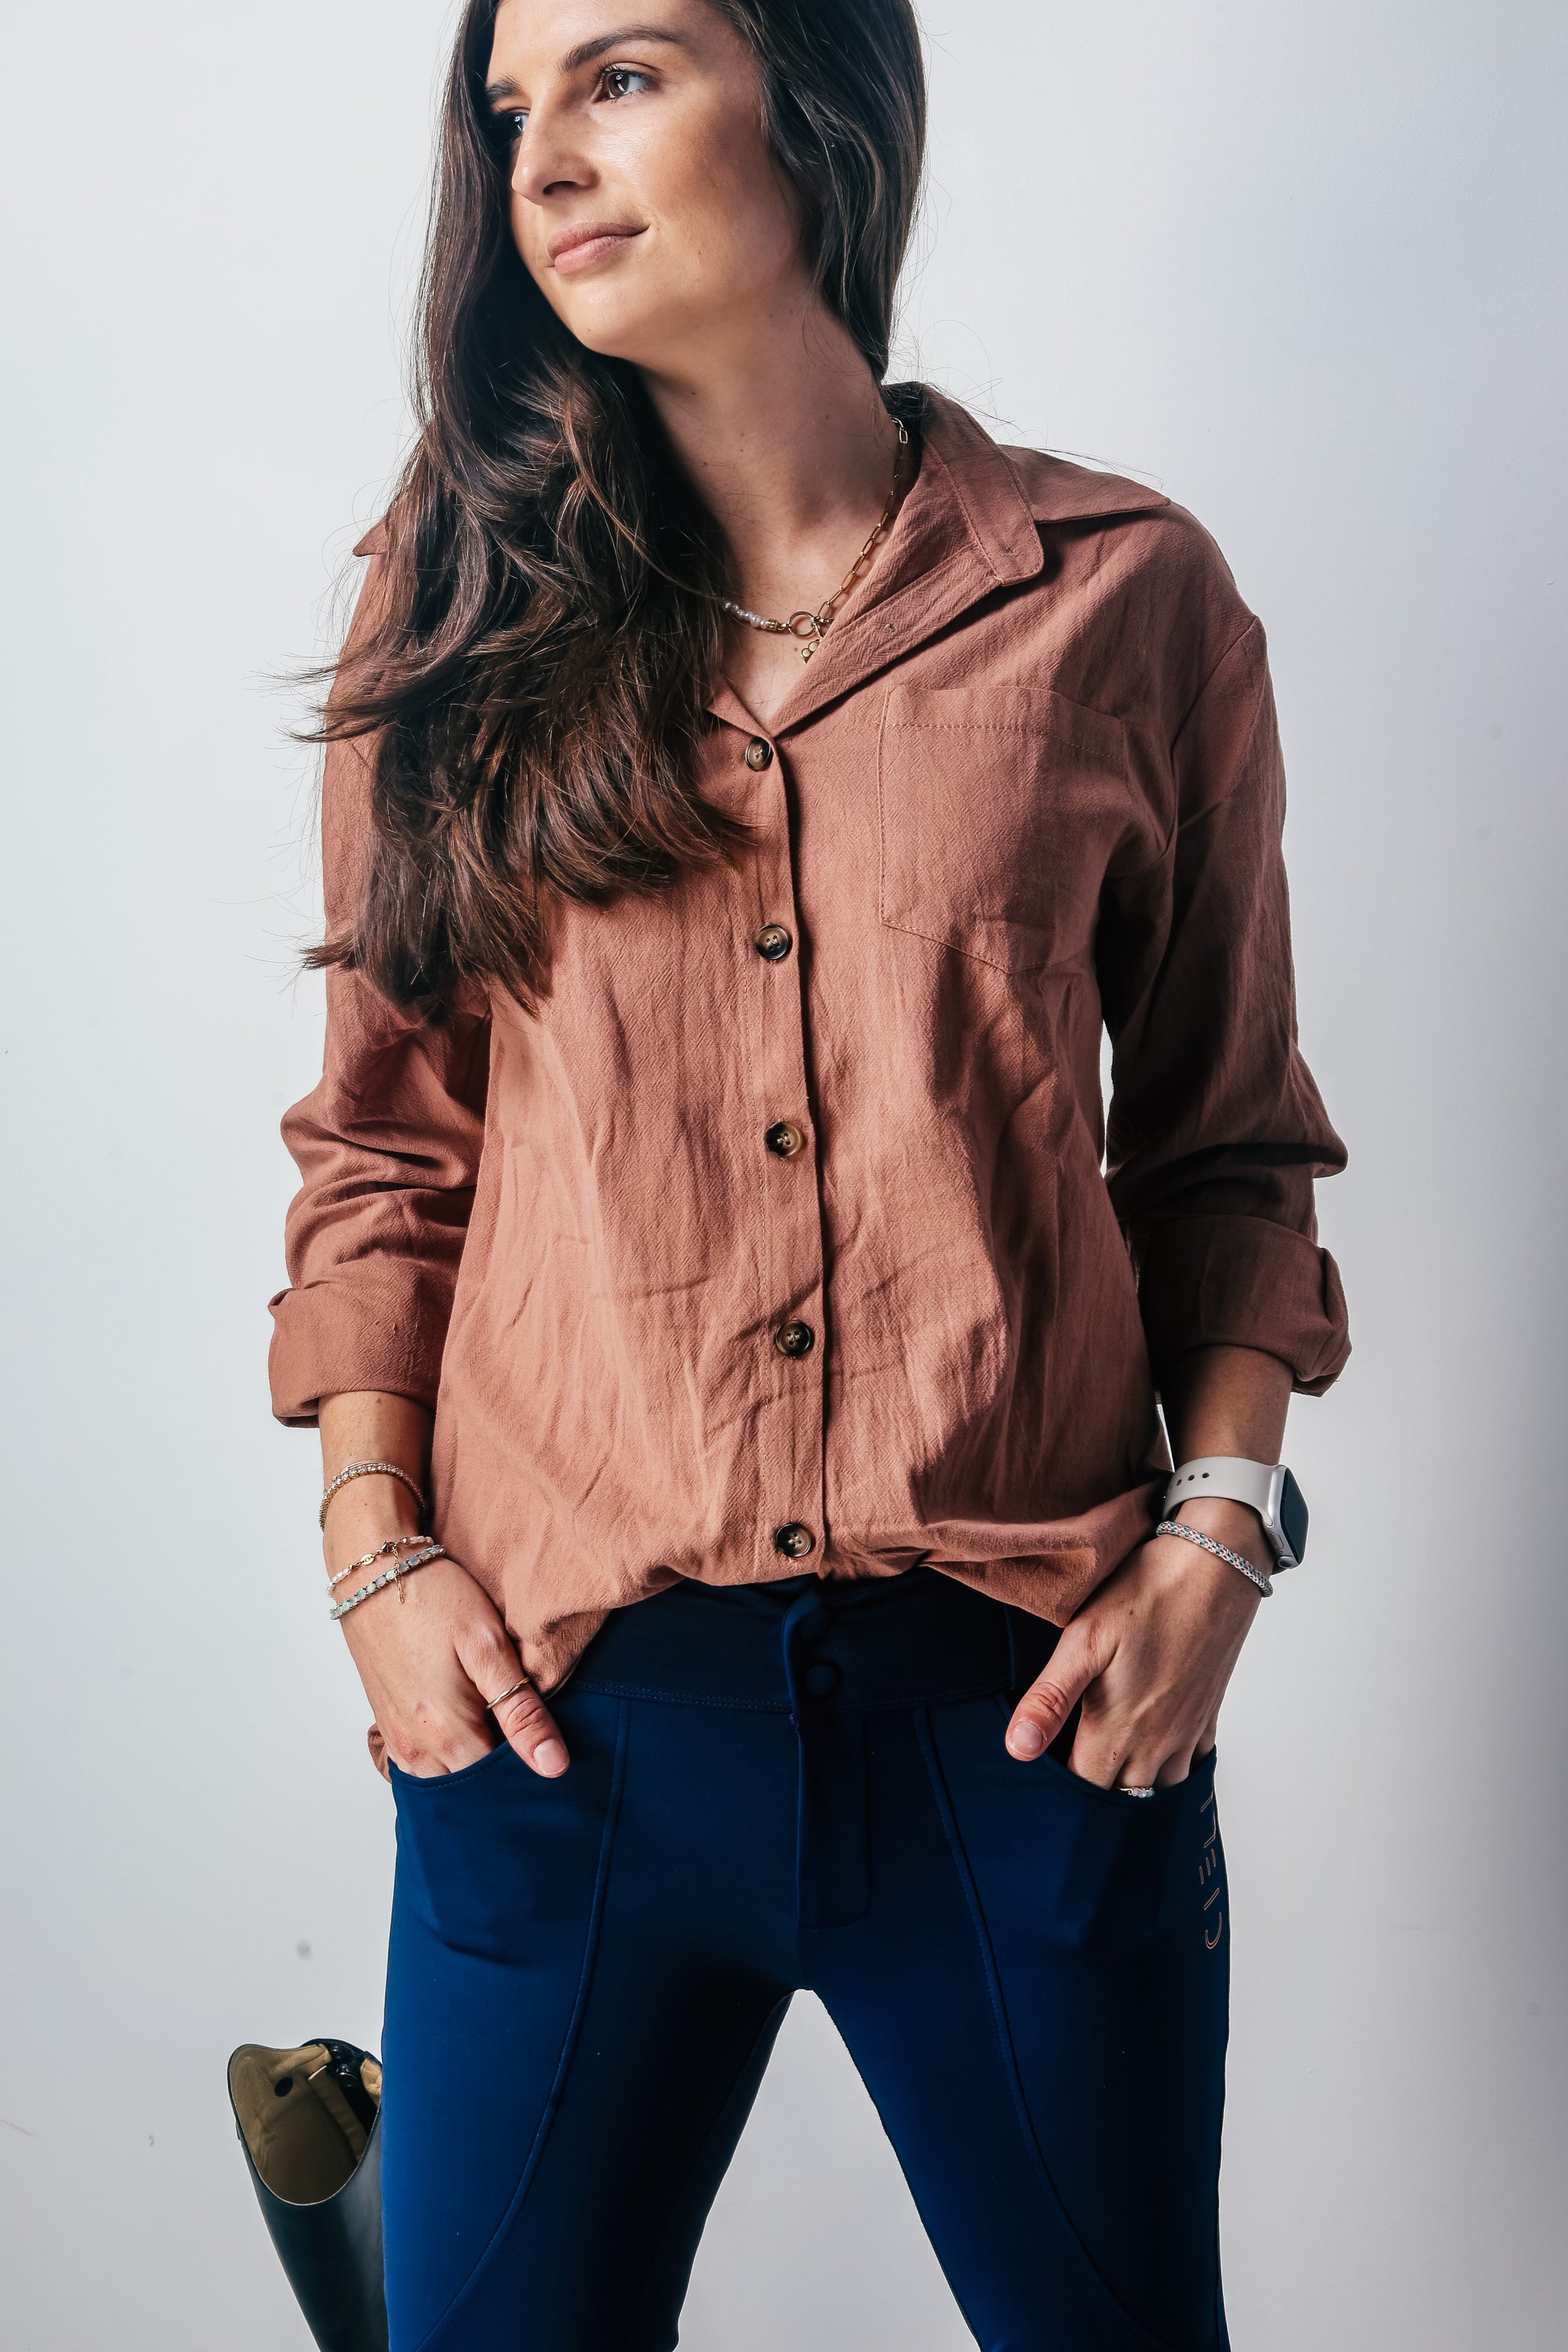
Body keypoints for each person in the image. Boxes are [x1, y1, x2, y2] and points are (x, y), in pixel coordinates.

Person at [268, 2, 1349, 2345]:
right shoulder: (451, 600)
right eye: (510, 109)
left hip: (1023, 1715)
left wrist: (1216, 1545)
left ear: (825, 103)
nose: (545, 159)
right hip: (560, 1726)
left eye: (622, 73)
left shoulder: (1123, 598)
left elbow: (1230, 1149)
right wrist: (374, 1558)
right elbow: (383, 1148)